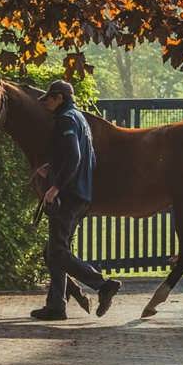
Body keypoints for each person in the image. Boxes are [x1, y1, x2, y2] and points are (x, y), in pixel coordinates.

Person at [31, 80, 121, 321]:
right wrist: (51, 169)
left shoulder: (66, 120)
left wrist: (55, 187)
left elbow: (74, 155)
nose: (46, 103)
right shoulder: (79, 118)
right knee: (54, 251)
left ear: (59, 97)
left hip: (69, 195)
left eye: (49, 98)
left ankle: (103, 285)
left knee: (57, 252)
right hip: (81, 193)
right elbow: (79, 157)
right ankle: (56, 306)